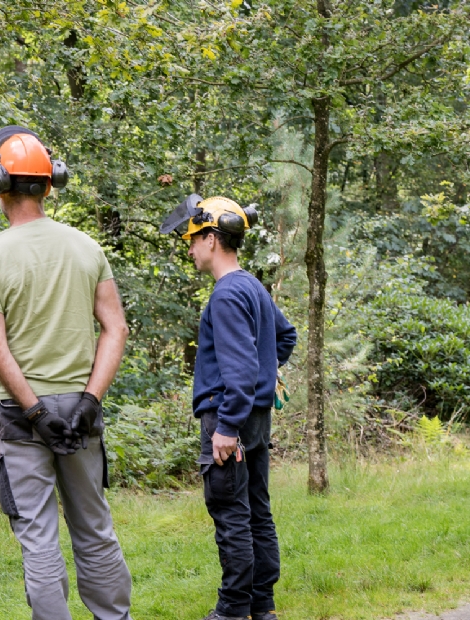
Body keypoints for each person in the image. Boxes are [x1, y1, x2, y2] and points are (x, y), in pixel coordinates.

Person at [0, 126, 133, 620]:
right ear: (49, 182)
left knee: (38, 537)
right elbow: (116, 328)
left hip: (23, 417)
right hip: (80, 409)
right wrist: (90, 399)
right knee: (94, 527)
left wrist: (36, 411)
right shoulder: (86, 248)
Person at [161, 195, 297, 620]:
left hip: (230, 420)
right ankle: (263, 605)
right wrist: (265, 373)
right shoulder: (252, 285)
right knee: (257, 509)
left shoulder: (226, 295)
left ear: (214, 238)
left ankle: (233, 610)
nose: (189, 248)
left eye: (194, 239)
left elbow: (237, 372)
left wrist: (226, 428)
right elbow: (285, 337)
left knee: (231, 512)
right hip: (256, 419)